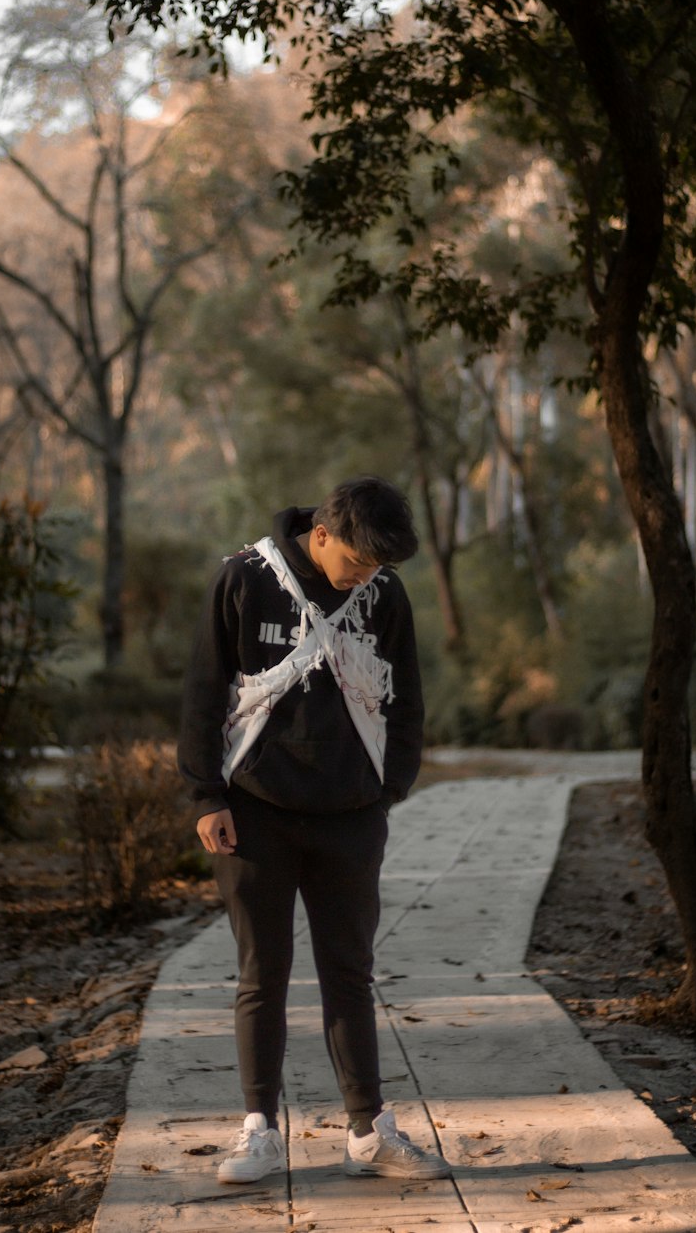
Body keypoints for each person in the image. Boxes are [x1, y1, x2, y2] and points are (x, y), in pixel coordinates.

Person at [179, 476, 451, 1185]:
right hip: (253, 812)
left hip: (351, 819)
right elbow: (204, 693)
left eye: (377, 567)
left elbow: (408, 697)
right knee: (260, 975)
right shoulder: (244, 579)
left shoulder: (385, 594)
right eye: (357, 562)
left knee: (351, 973)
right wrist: (206, 795)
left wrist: (387, 790)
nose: (366, 576)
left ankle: (368, 1133)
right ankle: (260, 1133)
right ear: (322, 535)